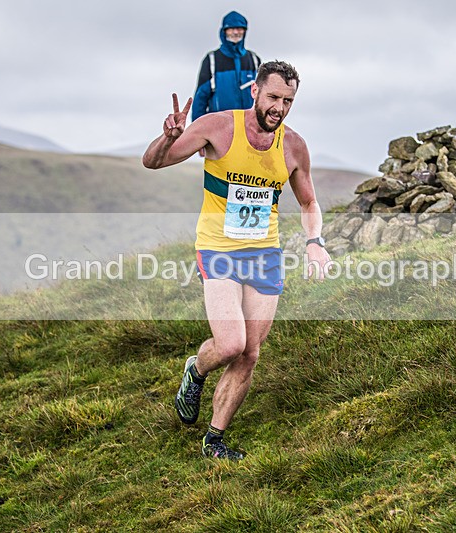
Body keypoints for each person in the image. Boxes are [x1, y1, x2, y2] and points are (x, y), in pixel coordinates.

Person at [143, 61, 330, 460]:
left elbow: (309, 201)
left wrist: (315, 240)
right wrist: (167, 138)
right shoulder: (218, 127)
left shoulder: (293, 146)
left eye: (289, 101)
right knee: (230, 343)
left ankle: (214, 440)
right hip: (218, 249)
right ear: (255, 92)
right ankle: (197, 369)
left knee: (251, 353)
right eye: (274, 97)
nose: (279, 107)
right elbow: (154, 162)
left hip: (265, 254)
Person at [191, 11, 261, 122]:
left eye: (239, 28)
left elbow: (263, 96)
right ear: (224, 31)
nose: (235, 32)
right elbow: (200, 99)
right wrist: (197, 131)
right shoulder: (211, 60)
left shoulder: (254, 59)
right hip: (219, 128)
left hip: (249, 127)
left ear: (245, 31)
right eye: (231, 28)